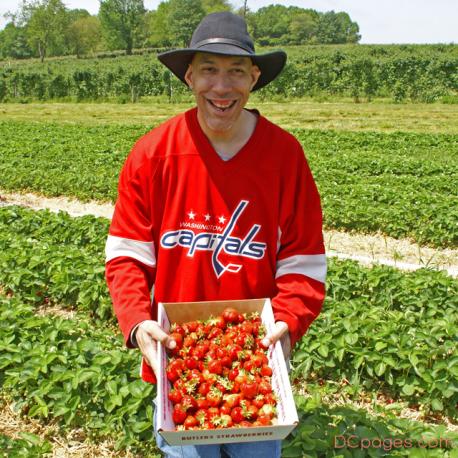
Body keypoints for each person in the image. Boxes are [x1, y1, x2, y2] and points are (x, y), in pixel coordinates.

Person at [105, 11, 326, 458]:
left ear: (255, 77)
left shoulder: (285, 157)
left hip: (257, 362)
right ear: (189, 76)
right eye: (208, 70)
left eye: (236, 71)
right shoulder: (153, 156)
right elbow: (127, 254)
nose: (221, 88)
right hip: (179, 362)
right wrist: (137, 323)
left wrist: (288, 318)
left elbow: (303, 259)